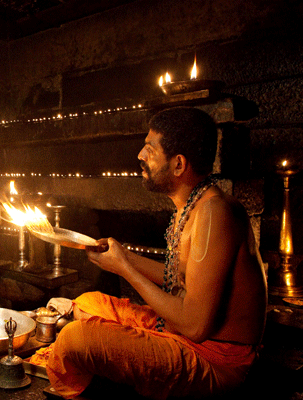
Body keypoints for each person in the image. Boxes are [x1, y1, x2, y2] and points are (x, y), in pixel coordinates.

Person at [45, 107, 267, 399]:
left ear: (178, 165)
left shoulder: (215, 213)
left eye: (150, 149)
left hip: (215, 360)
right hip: (183, 333)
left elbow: (195, 325)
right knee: (89, 303)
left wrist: (125, 269)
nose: (140, 155)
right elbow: (180, 278)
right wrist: (121, 256)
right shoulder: (193, 204)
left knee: (77, 339)